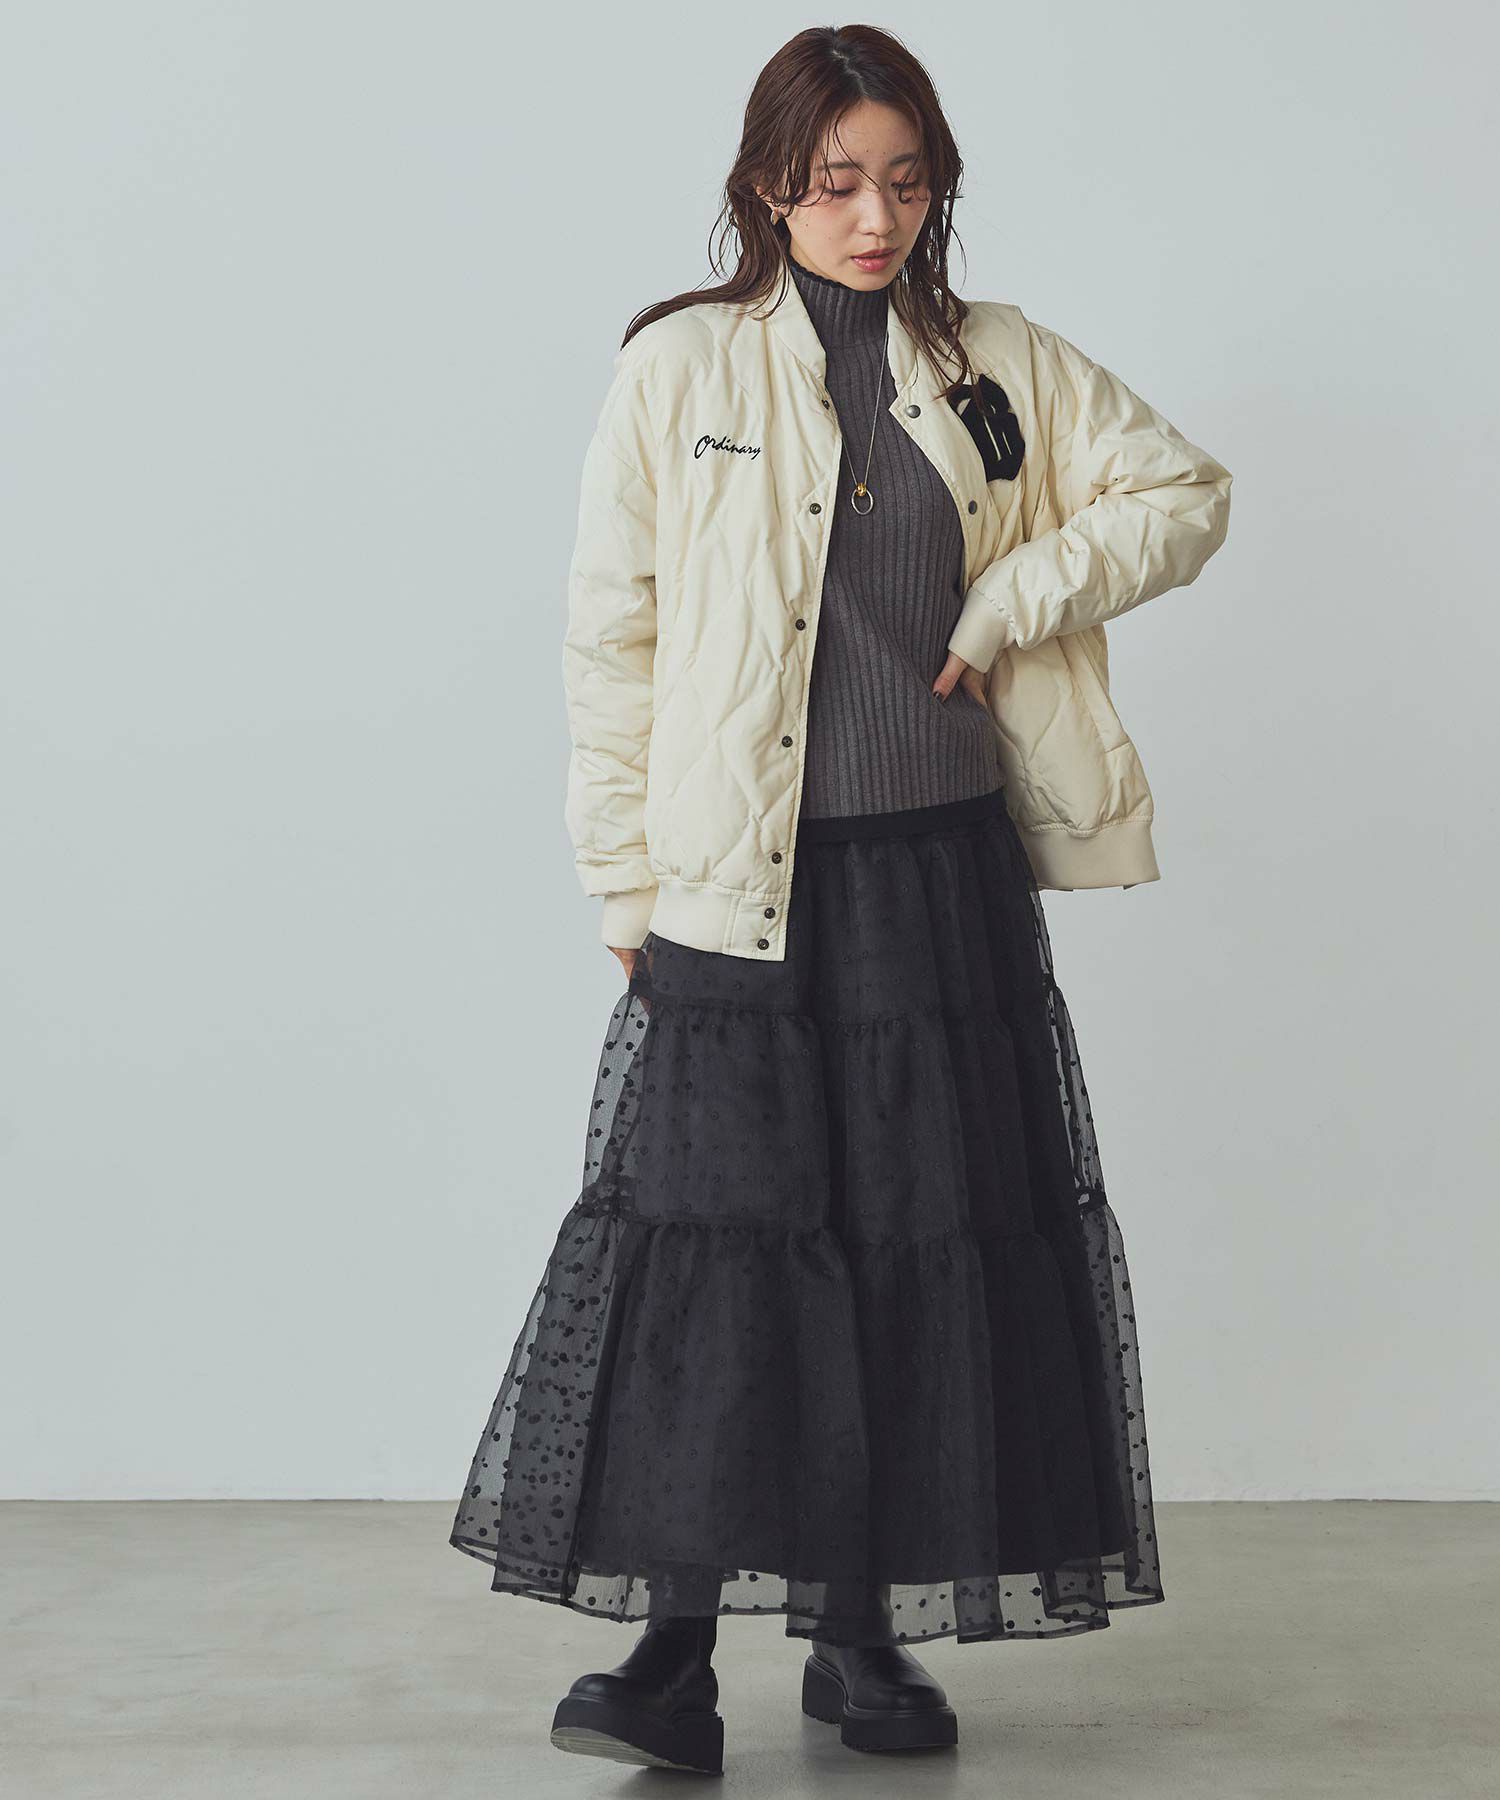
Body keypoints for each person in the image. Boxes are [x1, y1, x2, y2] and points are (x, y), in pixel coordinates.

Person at [449, 22, 1231, 1774]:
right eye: (835, 185)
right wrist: (622, 882)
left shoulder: (997, 360)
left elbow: (1184, 494)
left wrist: (1013, 595)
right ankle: (670, 1656)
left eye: (904, 182)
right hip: (738, 891)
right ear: (767, 190)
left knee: (914, 1259)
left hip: (937, 884)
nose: (875, 218)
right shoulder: (679, 368)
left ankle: (864, 1640)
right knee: (715, 1262)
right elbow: (611, 638)